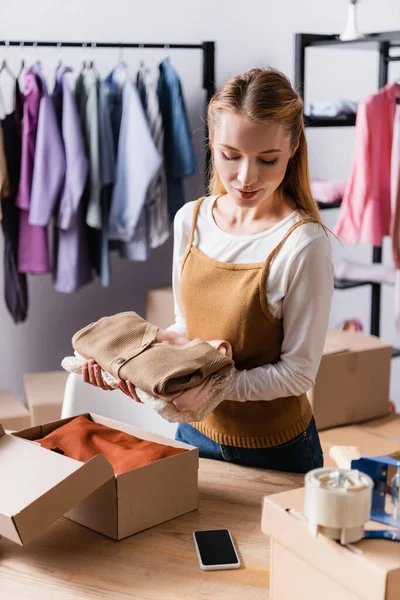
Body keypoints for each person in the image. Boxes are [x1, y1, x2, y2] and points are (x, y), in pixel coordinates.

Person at [83, 67, 334, 473]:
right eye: (230, 156)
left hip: (277, 450)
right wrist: (147, 376)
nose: (245, 177)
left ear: (293, 147)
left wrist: (204, 386)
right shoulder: (191, 220)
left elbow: (297, 374)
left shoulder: (303, 245)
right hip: (193, 432)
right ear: (212, 144)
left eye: (267, 160)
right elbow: (188, 328)